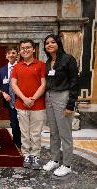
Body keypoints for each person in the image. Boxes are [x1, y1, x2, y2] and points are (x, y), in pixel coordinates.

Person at [42, 34, 79, 177]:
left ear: (58, 43)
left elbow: (74, 81)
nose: (49, 45)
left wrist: (71, 104)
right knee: (53, 132)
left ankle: (67, 164)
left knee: (65, 133)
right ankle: (55, 159)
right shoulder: (48, 62)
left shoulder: (68, 59)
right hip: (49, 97)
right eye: (47, 43)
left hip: (63, 97)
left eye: (52, 42)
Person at [11, 39, 46, 170]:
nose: (25, 50)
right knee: (24, 133)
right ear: (20, 51)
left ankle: (35, 155)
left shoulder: (41, 65)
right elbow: (14, 84)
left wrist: (33, 98)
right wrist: (24, 98)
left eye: (28, 47)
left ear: (33, 49)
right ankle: (26, 155)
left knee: (36, 133)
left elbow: (43, 84)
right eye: (23, 48)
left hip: (38, 105)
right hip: (21, 105)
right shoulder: (17, 67)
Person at [0, 46, 21, 149]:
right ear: (6, 56)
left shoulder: (21, 67)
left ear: (17, 55)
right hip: (10, 101)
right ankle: (17, 143)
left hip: (22, 100)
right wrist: (3, 93)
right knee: (14, 123)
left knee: (23, 124)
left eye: (13, 53)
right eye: (9, 53)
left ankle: (25, 142)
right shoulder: (2, 71)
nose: (11, 55)